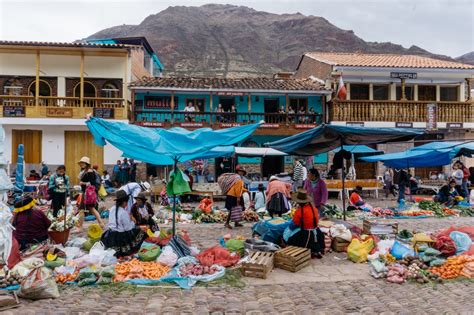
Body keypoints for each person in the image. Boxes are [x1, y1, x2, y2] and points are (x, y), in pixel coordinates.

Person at [101, 190, 147, 257]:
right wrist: (133, 223)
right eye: (127, 202)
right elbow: (128, 228)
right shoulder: (123, 212)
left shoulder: (112, 209)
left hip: (110, 235)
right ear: (124, 202)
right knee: (141, 232)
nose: (127, 204)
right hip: (119, 237)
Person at [286, 189, 325, 258]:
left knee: (288, 235)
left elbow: (293, 225)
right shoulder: (314, 209)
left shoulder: (300, 211)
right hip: (316, 232)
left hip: (305, 234)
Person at [78, 156, 105, 229]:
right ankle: (101, 223)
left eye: (82, 163)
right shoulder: (86, 171)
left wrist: (82, 183)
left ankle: (80, 227)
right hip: (87, 192)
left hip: (87, 193)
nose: (81, 164)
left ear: (86, 163)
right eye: (81, 163)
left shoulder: (90, 171)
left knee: (82, 209)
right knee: (91, 209)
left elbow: (91, 183)